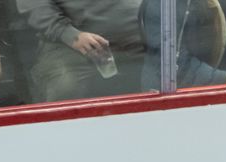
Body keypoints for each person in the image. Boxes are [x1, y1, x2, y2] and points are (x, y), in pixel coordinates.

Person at [16, 0, 145, 102]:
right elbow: (35, 7)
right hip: (68, 43)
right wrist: (69, 34)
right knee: (66, 85)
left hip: (138, 37)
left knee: (161, 76)